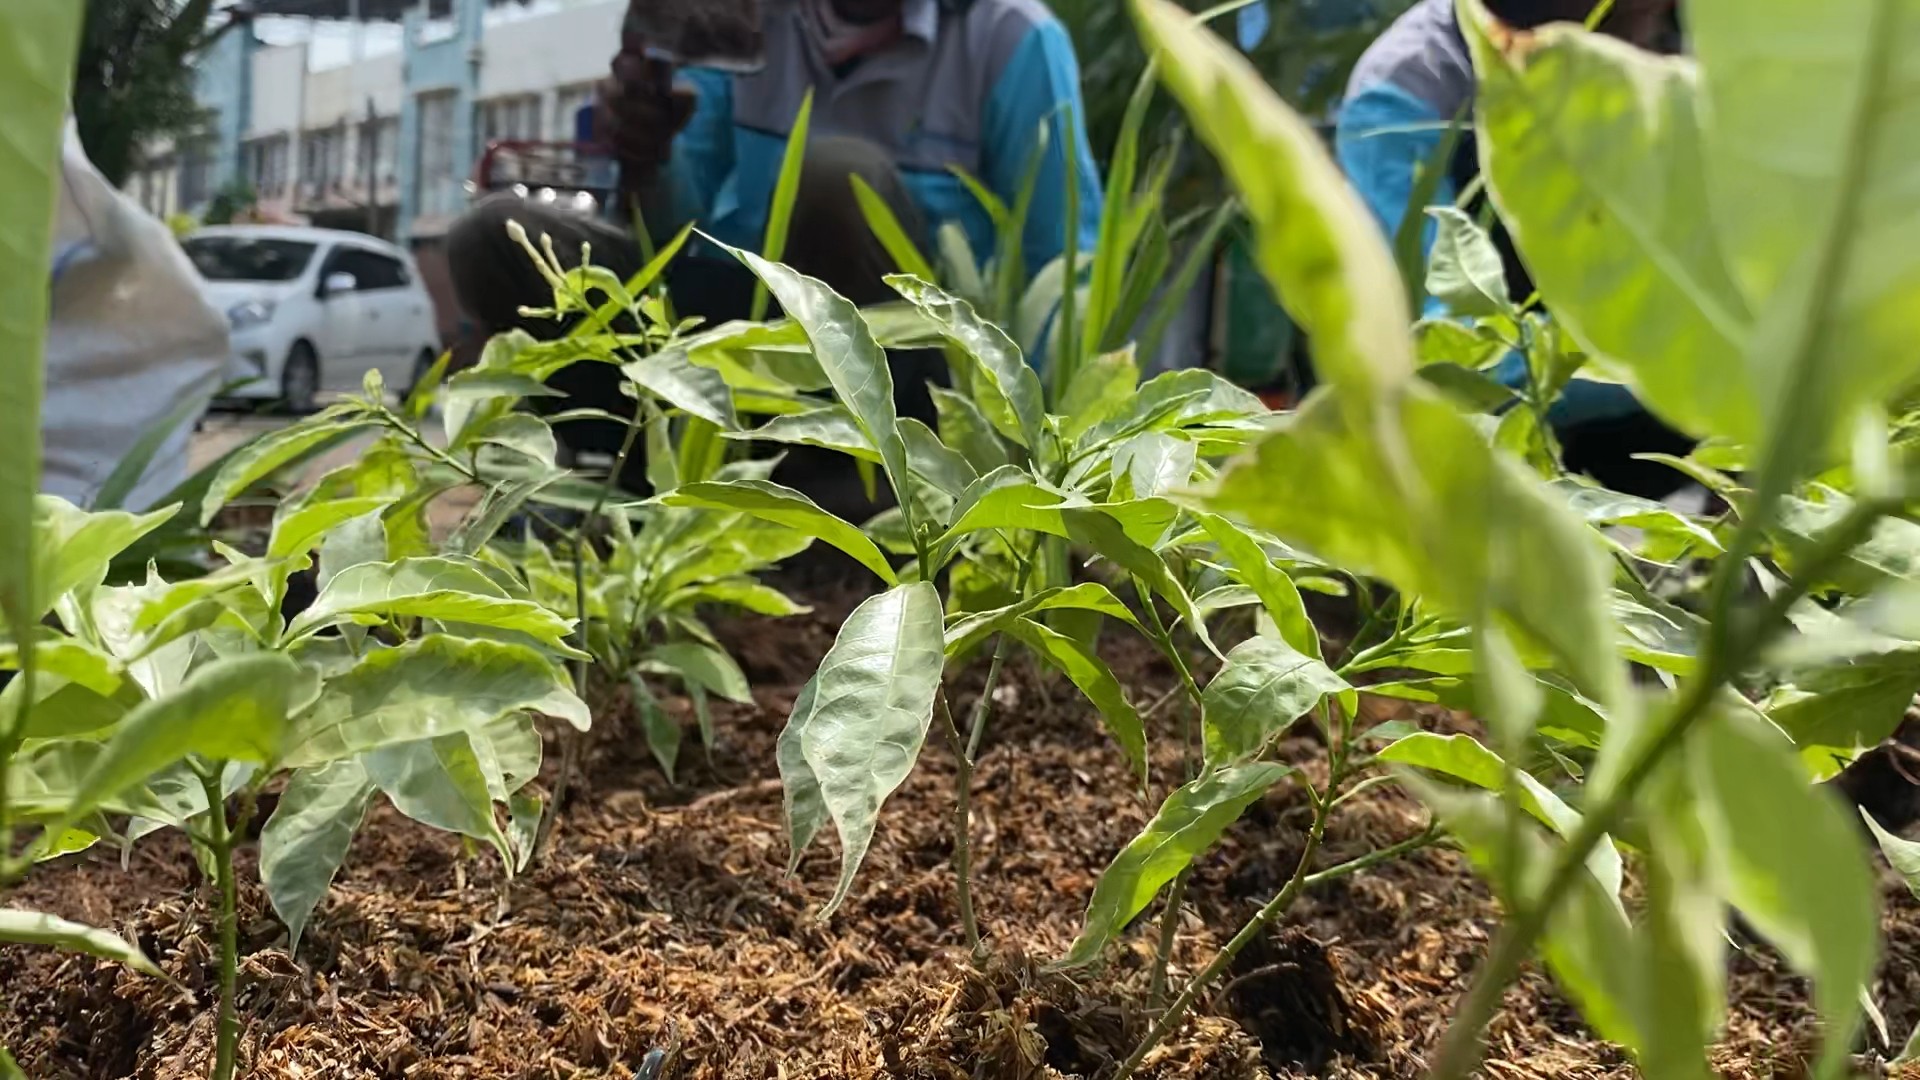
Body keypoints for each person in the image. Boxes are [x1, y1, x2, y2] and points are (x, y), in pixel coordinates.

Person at [447, 0, 1103, 499]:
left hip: (914, 381)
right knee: (494, 239)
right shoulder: (738, 21)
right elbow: (682, 234)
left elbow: (1062, 264)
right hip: (744, 345)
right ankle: (657, 472)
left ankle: (866, 493)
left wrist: (1033, 463)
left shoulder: (1010, 40)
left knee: (840, 178)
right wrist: (646, 159)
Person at [1335, 0, 1687, 496]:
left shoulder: (1682, 51)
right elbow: (1455, 354)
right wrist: (1681, 367)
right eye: (1619, 24)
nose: (1636, 46)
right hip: (1471, 456)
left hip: (1645, 440)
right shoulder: (1408, 90)